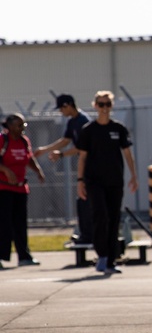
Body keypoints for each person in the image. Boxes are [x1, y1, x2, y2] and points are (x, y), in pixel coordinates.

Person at [76, 91, 138, 275]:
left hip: (115, 181)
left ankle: (111, 261)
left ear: (111, 107)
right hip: (94, 181)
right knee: (100, 216)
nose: (104, 108)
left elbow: (127, 154)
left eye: (107, 105)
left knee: (113, 219)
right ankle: (101, 255)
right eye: (101, 105)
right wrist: (80, 181)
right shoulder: (88, 130)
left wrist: (134, 176)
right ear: (95, 106)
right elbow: (82, 157)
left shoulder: (118, 129)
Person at [33, 94, 93, 244]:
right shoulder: (72, 122)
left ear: (68, 105)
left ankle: (89, 235)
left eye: (61, 108)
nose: (61, 112)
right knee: (82, 200)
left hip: (91, 165)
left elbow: (82, 147)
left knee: (86, 200)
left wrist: (61, 155)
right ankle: (86, 233)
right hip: (84, 164)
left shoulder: (83, 121)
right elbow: (66, 140)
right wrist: (46, 149)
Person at [0, 114, 45, 269]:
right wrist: (5, 170)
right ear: (10, 127)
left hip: (20, 188)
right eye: (19, 125)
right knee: (3, 223)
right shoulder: (2, 140)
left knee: (20, 224)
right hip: (3, 188)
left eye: (23, 125)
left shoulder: (24, 141)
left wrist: (38, 171)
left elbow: (29, 157)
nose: (22, 128)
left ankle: (24, 256)